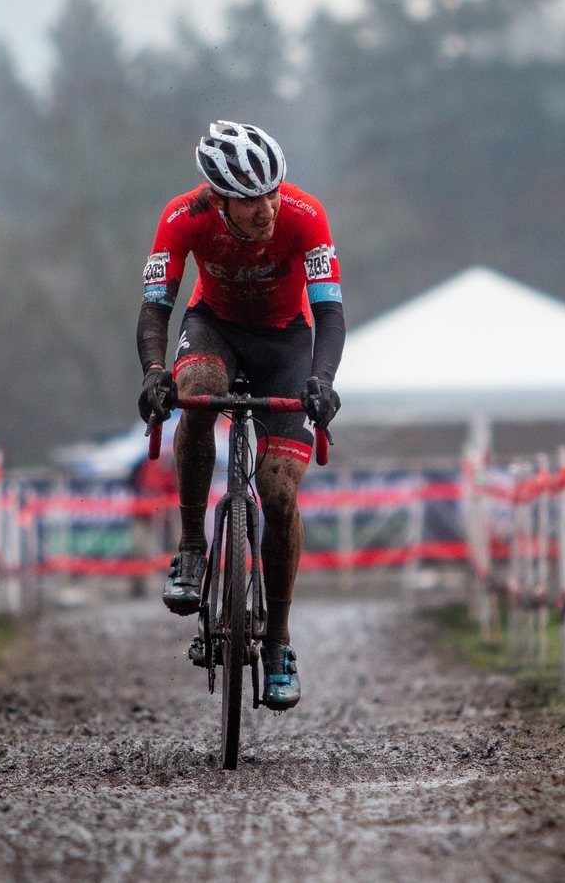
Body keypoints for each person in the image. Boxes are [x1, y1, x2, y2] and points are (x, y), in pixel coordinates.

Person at [135, 121, 344, 711]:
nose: (267, 208)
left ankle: (278, 641)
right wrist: (155, 372)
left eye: (272, 191)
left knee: (278, 494)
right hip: (214, 329)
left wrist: (322, 381)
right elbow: (156, 308)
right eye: (251, 199)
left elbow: (330, 313)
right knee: (195, 388)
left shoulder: (305, 214)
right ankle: (194, 546)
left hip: (287, 342)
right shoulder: (183, 217)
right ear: (218, 198)